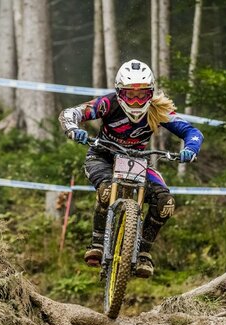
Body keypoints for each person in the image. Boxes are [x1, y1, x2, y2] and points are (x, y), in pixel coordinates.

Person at [59, 59, 204, 278]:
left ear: (151, 93)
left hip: (138, 160)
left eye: (142, 95)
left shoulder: (158, 109)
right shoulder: (108, 104)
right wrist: (73, 129)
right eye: (130, 95)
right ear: (119, 93)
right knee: (107, 191)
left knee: (165, 203)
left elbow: (192, 132)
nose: (136, 102)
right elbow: (71, 113)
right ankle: (98, 242)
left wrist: (190, 149)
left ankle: (143, 252)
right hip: (102, 156)